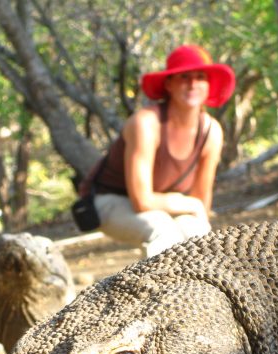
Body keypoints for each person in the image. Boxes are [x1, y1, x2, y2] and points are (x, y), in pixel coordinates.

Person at [80, 45, 236, 257]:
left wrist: (192, 210)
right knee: (161, 228)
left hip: (164, 205)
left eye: (200, 77)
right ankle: (161, 290)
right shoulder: (146, 123)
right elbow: (141, 201)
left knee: (197, 232)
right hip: (109, 200)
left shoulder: (211, 131)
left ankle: (203, 288)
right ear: (169, 84)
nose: (192, 84)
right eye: (184, 77)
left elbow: (201, 204)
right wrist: (186, 203)